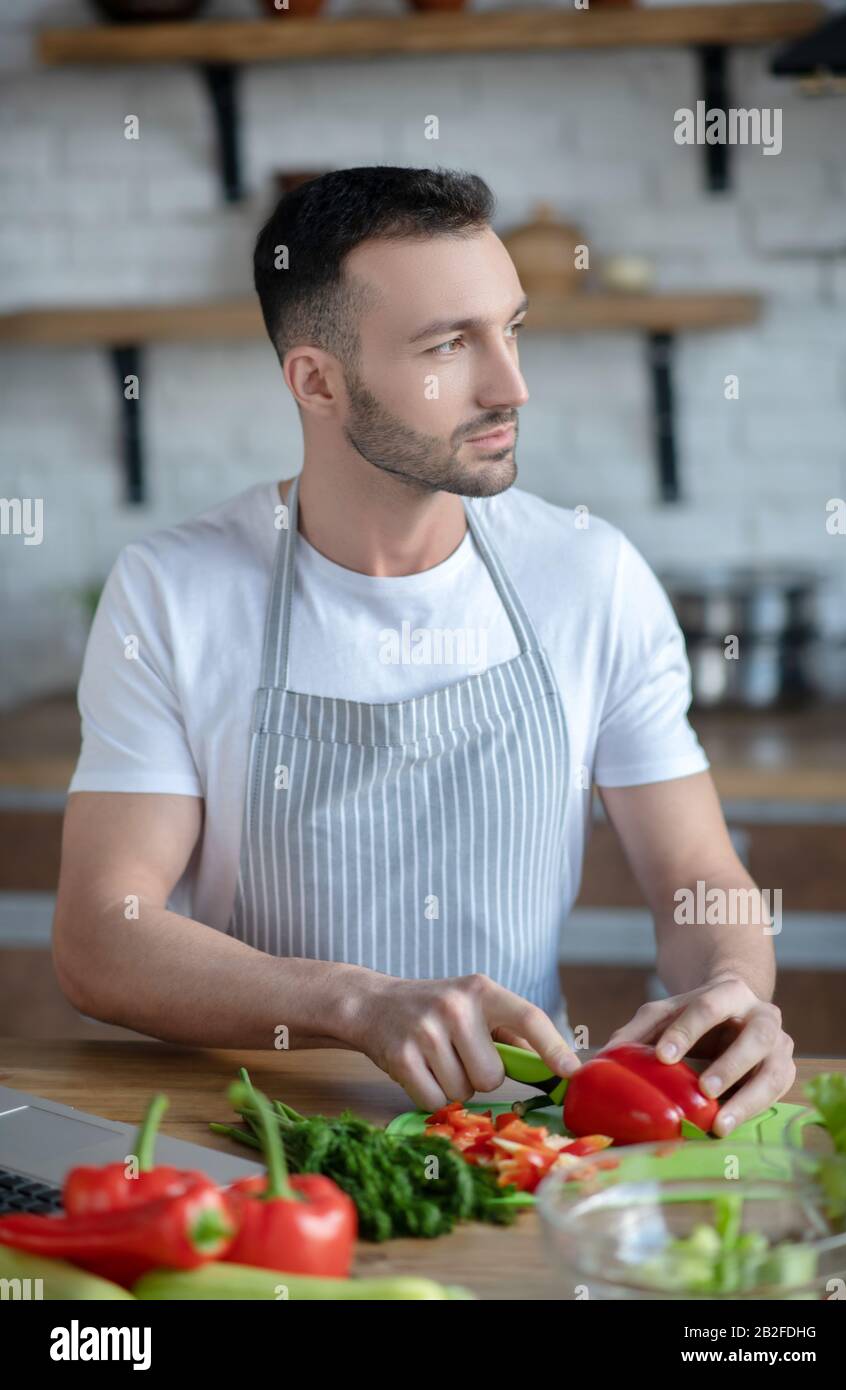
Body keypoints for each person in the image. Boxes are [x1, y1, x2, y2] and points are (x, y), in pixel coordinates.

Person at [55, 167, 794, 1131]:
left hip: (509, 1126)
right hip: (260, 1129)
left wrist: (736, 989)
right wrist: (355, 1005)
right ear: (316, 380)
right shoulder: (173, 594)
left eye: (511, 329)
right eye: (450, 344)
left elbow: (697, 873)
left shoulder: (590, 577)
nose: (511, 385)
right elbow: (99, 938)